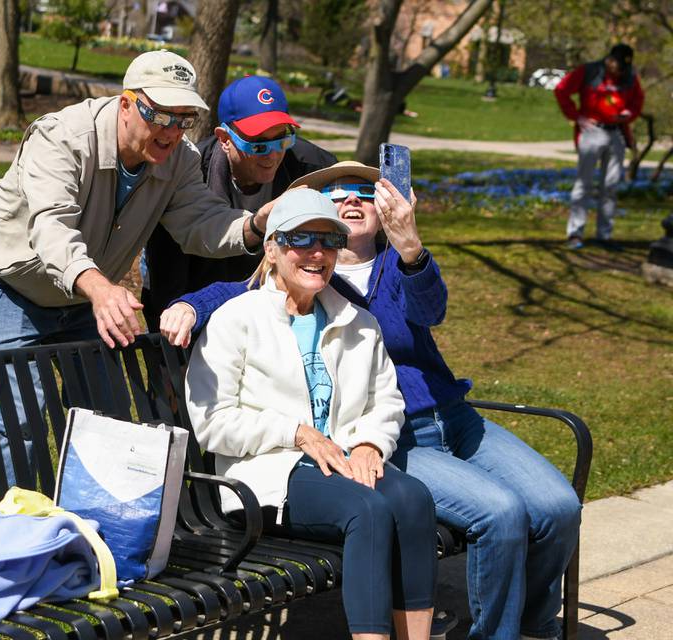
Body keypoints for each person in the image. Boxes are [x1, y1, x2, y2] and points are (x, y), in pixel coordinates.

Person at [163, 161, 582, 640]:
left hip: (441, 417)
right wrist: (190, 304)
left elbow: (431, 313)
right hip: (378, 441)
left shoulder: (391, 270)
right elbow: (242, 296)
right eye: (335, 194)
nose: (350, 202)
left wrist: (411, 247)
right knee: (493, 512)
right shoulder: (300, 285)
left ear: (384, 206)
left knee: (557, 506)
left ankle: (531, 624)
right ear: (279, 245)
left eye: (365, 192)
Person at [0, 50, 274, 498]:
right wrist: (101, 289)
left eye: (183, 119)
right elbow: (51, 227)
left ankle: (97, 533)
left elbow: (199, 223)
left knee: (105, 413)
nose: (170, 131)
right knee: (21, 419)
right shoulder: (63, 138)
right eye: (159, 115)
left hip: (86, 293)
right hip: (11, 281)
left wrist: (256, 224)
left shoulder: (177, 160)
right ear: (127, 104)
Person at [184, 188, 437, 640]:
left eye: (328, 240)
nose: (317, 252)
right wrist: (297, 432)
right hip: (267, 474)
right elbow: (212, 422)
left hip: (339, 461)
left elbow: (386, 400)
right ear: (273, 248)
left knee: (414, 499)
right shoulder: (236, 319)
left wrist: (368, 443)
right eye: (301, 239)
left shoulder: (357, 322)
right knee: (370, 511)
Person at [141, 75, 336, 331]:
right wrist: (171, 344)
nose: (273, 154)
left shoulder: (314, 169)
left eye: (282, 139)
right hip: (196, 298)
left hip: (281, 306)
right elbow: (166, 272)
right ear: (224, 138)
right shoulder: (189, 173)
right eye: (258, 144)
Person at [554, 43, 644, 250]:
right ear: (610, 60)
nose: (620, 72)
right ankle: (575, 233)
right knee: (583, 184)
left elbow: (637, 101)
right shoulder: (589, 72)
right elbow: (561, 90)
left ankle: (604, 235)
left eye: (624, 68)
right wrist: (577, 117)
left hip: (617, 133)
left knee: (610, 186)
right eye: (618, 66)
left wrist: (629, 114)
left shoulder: (630, 77)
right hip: (592, 132)